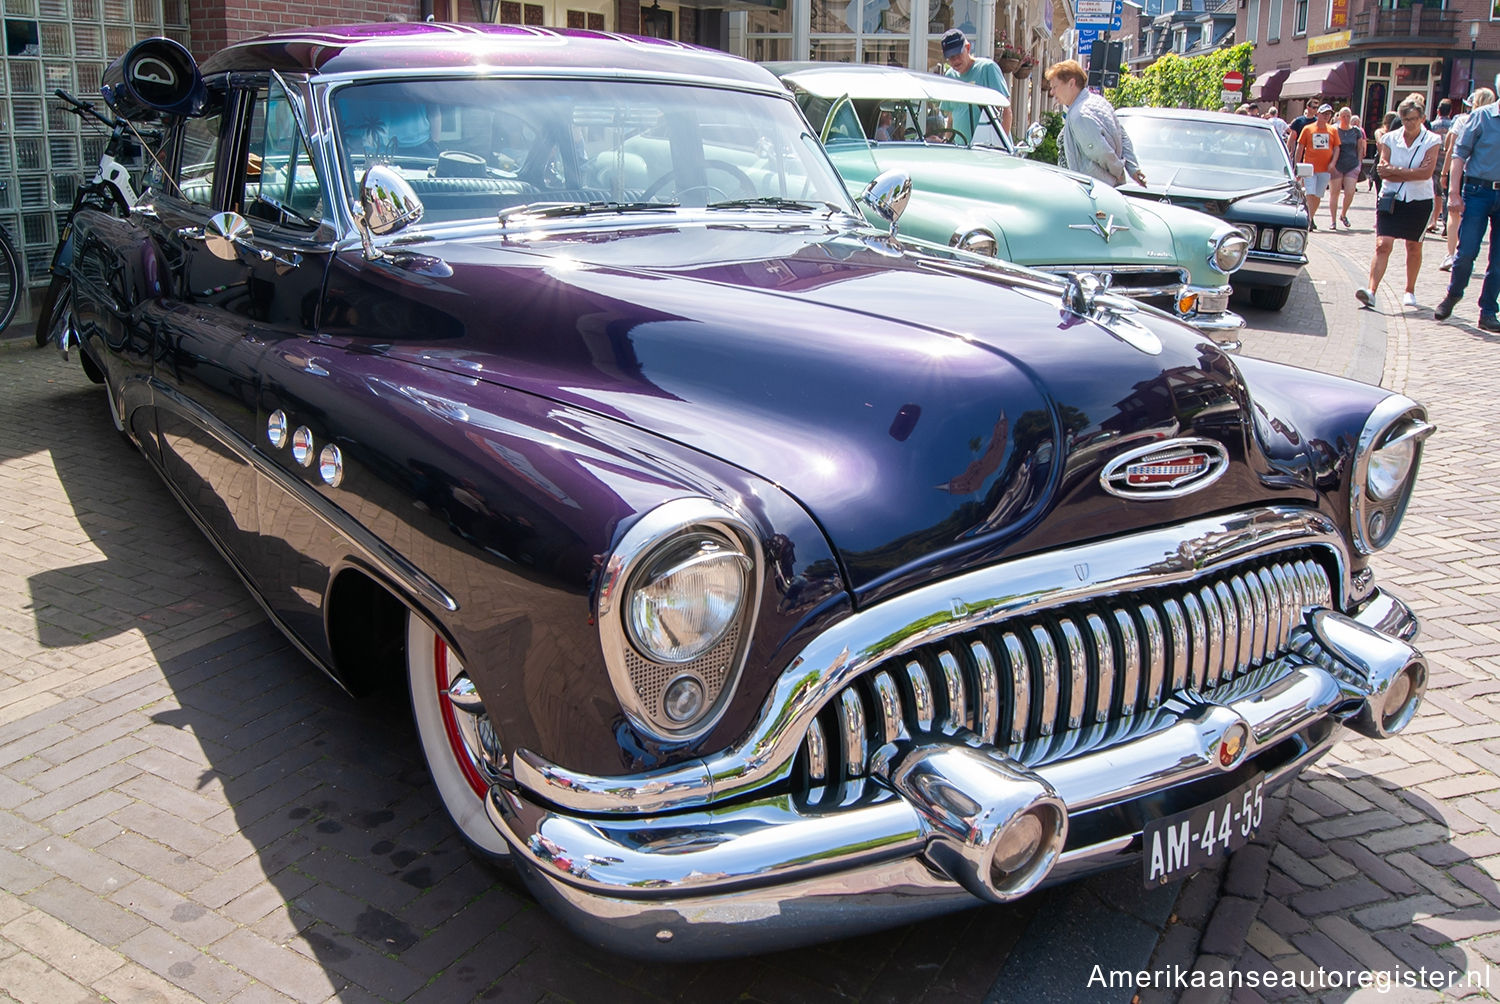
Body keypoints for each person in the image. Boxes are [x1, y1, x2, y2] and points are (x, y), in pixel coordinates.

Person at [1357, 96, 1441, 310]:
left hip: (1419, 200)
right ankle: (1371, 291)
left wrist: (1397, 172)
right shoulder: (1390, 139)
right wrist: (1406, 173)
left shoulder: (1432, 140)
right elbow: (1383, 171)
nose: (1409, 124)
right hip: (1391, 198)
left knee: (1413, 246)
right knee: (1383, 244)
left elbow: (1426, 173)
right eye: (1404, 119)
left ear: (1422, 118)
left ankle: (1409, 289)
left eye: (1413, 119)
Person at [1434, 87, 1500, 329]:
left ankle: (1489, 311)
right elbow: (1460, 154)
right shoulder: (1481, 116)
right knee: (1467, 251)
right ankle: (1453, 294)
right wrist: (1453, 192)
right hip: (1478, 191)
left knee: (1499, 260)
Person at [1043, 59, 1146, 187]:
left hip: (1093, 191)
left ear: (1071, 83)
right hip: (1104, 188)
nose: (1052, 92)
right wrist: (1133, 168)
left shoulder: (1079, 115)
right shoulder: (1099, 102)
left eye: (1055, 87)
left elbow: (1101, 151)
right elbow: (1122, 135)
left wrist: (1118, 171)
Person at [1440, 89, 1496, 271]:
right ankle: (1459, 255)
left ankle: (1453, 254)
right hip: (1474, 174)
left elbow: (1451, 149)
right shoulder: (1479, 119)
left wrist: (1445, 172)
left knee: (1455, 216)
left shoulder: (1463, 119)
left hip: (1463, 172)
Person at [940, 29, 1011, 138]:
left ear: (968, 48)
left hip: (988, 149)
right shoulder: (950, 76)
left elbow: (1006, 112)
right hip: (961, 150)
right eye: (950, 57)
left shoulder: (987, 68)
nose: (955, 61)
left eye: (958, 54)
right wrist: (946, 140)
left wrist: (1001, 145)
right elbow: (951, 116)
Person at [1296, 104, 1340, 230]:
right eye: (1324, 113)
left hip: (1325, 168)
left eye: (1329, 114)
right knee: (1310, 192)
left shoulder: (1332, 130)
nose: (1326, 116)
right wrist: (1297, 166)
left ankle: (1309, 217)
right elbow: (1300, 147)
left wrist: (1333, 163)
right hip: (1310, 167)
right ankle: (1308, 220)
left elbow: (1336, 148)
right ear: (1318, 114)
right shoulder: (1308, 129)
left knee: (1318, 195)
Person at [1329, 107, 1366, 230]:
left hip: (1352, 164)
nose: (1346, 118)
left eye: (1348, 116)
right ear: (1339, 117)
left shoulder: (1356, 131)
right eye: (1343, 116)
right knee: (1335, 193)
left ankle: (1343, 214)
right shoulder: (1334, 130)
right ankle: (1333, 221)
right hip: (1337, 164)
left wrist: (1359, 163)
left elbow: (1360, 147)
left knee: (1350, 192)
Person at [1428, 97, 1455, 235]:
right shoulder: (1453, 126)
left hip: (1434, 161)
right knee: (1445, 193)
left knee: (1435, 192)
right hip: (1448, 163)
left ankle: (1433, 220)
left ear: (1438, 111)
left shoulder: (1433, 126)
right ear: (1450, 111)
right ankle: (1445, 222)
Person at [1371, 111, 1398, 194]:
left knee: (1382, 193)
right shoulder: (1381, 132)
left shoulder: (1395, 134)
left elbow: (1379, 144)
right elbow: (1380, 144)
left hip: (1383, 162)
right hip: (1385, 162)